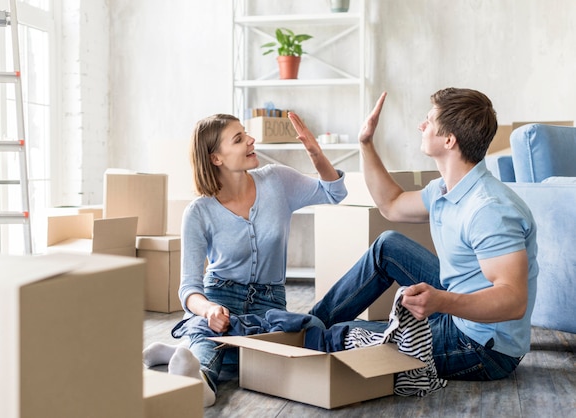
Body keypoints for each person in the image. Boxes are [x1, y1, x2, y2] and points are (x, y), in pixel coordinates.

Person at [302, 88, 538, 381]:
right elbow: (391, 204)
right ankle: (308, 324)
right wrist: (365, 144)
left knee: (339, 336)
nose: (421, 126)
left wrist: (441, 301)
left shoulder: (489, 210)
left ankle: (308, 337)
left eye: (429, 120)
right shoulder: (445, 189)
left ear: (449, 140)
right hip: (459, 310)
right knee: (388, 245)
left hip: (483, 347)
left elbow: (514, 301)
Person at [142, 113, 347, 406]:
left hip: (269, 301)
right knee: (210, 335)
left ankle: (177, 349)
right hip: (219, 297)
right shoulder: (198, 212)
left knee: (304, 331)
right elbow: (188, 289)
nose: (251, 140)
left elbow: (334, 192)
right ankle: (199, 383)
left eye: (245, 134)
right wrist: (210, 309)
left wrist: (315, 153)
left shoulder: (276, 181)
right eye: (238, 139)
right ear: (216, 158)